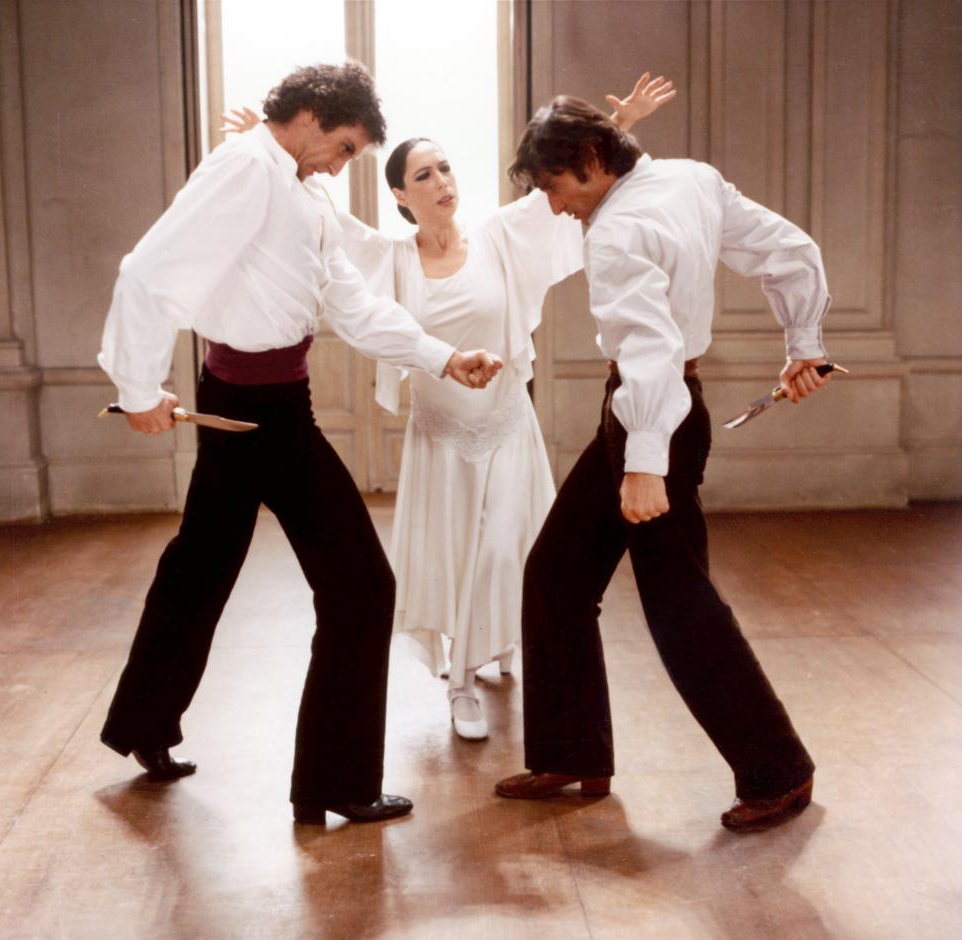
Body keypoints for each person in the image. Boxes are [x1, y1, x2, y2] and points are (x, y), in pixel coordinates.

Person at [97, 62, 502, 826]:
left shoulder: (299, 187)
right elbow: (146, 274)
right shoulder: (246, 168)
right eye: (344, 148)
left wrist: (439, 355)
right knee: (360, 588)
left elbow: (348, 301)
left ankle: (144, 725)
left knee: (199, 566)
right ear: (312, 116)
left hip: (273, 403)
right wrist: (140, 391)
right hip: (249, 414)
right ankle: (335, 785)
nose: (341, 164)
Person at [222, 73, 676, 741]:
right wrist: (266, 154)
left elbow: (582, 183)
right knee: (457, 559)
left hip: (506, 431)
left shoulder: (499, 235)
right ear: (402, 196)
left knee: (504, 553)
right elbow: (319, 214)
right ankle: (459, 684)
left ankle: (483, 657)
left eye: (445, 167)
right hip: (439, 439)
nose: (442, 181)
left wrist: (621, 125)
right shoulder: (388, 256)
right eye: (423, 174)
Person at [495, 96, 831, 832]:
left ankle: (779, 771)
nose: (553, 207)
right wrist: (802, 342)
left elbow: (648, 351)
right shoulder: (690, 178)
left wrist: (644, 463)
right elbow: (790, 251)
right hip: (650, 411)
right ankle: (571, 752)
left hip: (655, 417)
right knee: (555, 573)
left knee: (680, 605)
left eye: (554, 187)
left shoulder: (615, 231)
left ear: (589, 163)